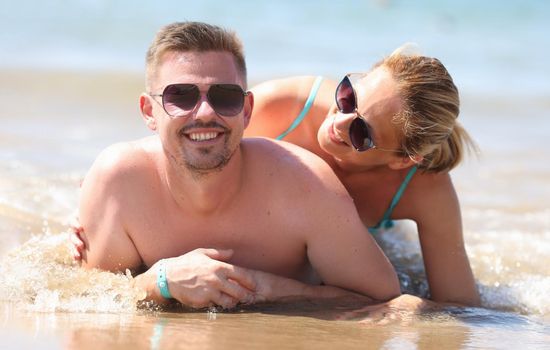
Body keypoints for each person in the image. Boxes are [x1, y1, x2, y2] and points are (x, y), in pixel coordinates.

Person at [77, 21, 400, 309]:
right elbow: (87, 298)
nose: (204, 113)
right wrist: (161, 281)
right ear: (149, 111)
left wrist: (265, 288)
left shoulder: (306, 183)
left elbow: (387, 303)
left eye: (225, 96)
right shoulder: (118, 180)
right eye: (181, 96)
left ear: (246, 110)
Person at [244, 50, 480, 306]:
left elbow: (460, 305)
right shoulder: (282, 109)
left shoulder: (424, 186)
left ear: (402, 160)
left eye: (361, 131)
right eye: (348, 98)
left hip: (375, 244)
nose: (339, 122)